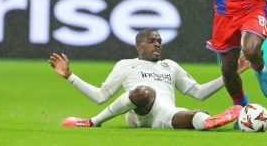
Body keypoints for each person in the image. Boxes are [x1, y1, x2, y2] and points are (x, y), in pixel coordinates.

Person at [48, 29, 249, 130]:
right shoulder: (125, 65)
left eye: (159, 41)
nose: (157, 45)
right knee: (145, 91)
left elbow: (198, 92)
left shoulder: (170, 65)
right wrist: (70, 76)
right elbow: (101, 96)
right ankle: (92, 122)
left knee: (197, 114)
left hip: (163, 113)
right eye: (151, 41)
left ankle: (207, 122)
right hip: (139, 113)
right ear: (138, 46)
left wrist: (229, 74)